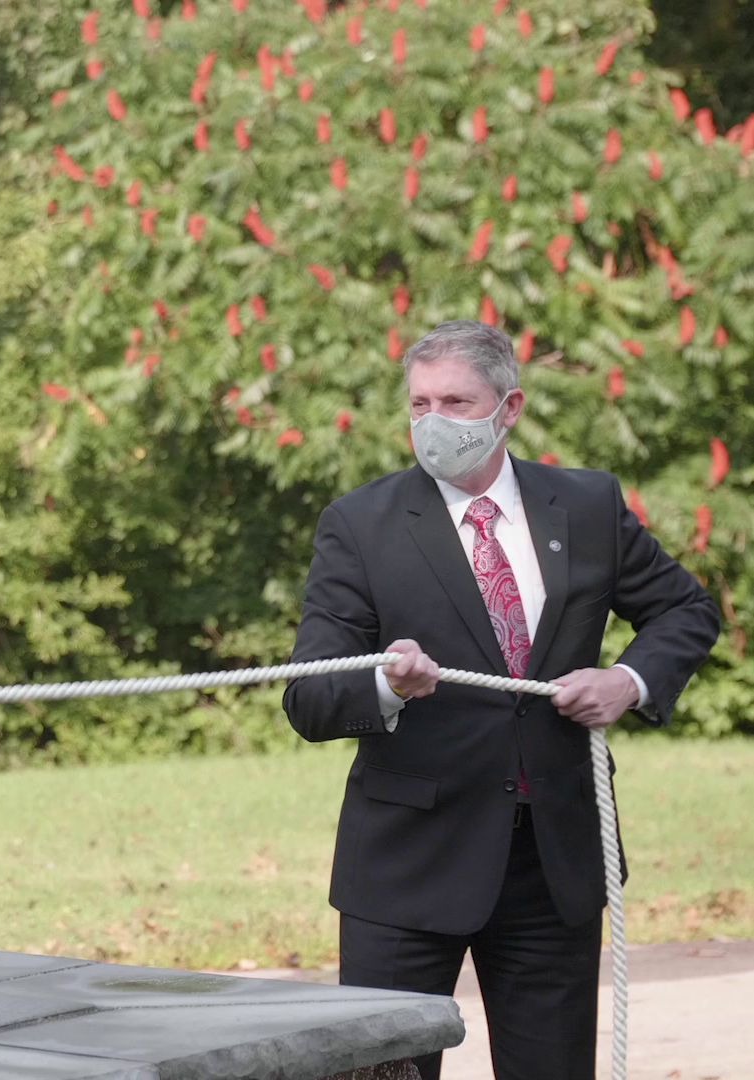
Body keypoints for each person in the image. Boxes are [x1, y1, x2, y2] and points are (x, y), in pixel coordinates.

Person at [282, 321, 719, 1080]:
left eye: (455, 401)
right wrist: (386, 683)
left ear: (507, 407)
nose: (432, 421)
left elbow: (684, 610)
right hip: (407, 867)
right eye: (418, 404)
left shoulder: (585, 504)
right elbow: (308, 697)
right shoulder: (359, 525)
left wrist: (627, 680)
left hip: (553, 862)